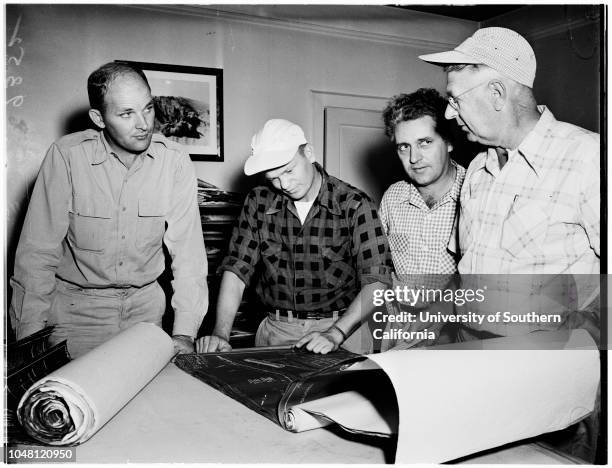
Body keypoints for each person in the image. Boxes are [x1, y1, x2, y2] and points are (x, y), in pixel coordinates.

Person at [419, 26, 600, 462]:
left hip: (557, 388)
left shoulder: (588, 159)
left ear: (498, 93)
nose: (448, 114)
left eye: (456, 99)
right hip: (477, 371)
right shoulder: (477, 174)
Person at [9, 62, 208, 358]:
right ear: (98, 118)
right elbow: (37, 254)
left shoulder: (174, 161)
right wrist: (30, 340)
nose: (144, 124)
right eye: (127, 113)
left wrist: (184, 332)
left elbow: (188, 255)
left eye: (148, 108)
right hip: (76, 316)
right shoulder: (67, 156)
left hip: (145, 315)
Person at [196, 118, 392, 354]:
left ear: (309, 153)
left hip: (344, 329)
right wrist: (220, 333)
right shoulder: (258, 202)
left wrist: (335, 333)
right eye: (273, 178)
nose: (284, 184)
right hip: (277, 331)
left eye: (289, 170)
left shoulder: (355, 205)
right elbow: (237, 270)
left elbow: (378, 281)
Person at [375, 88, 466, 350]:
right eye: (404, 147)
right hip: (398, 332)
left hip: (454, 334)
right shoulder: (393, 198)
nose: (414, 158)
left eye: (425, 142)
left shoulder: (476, 191)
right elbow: (381, 268)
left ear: (448, 141)